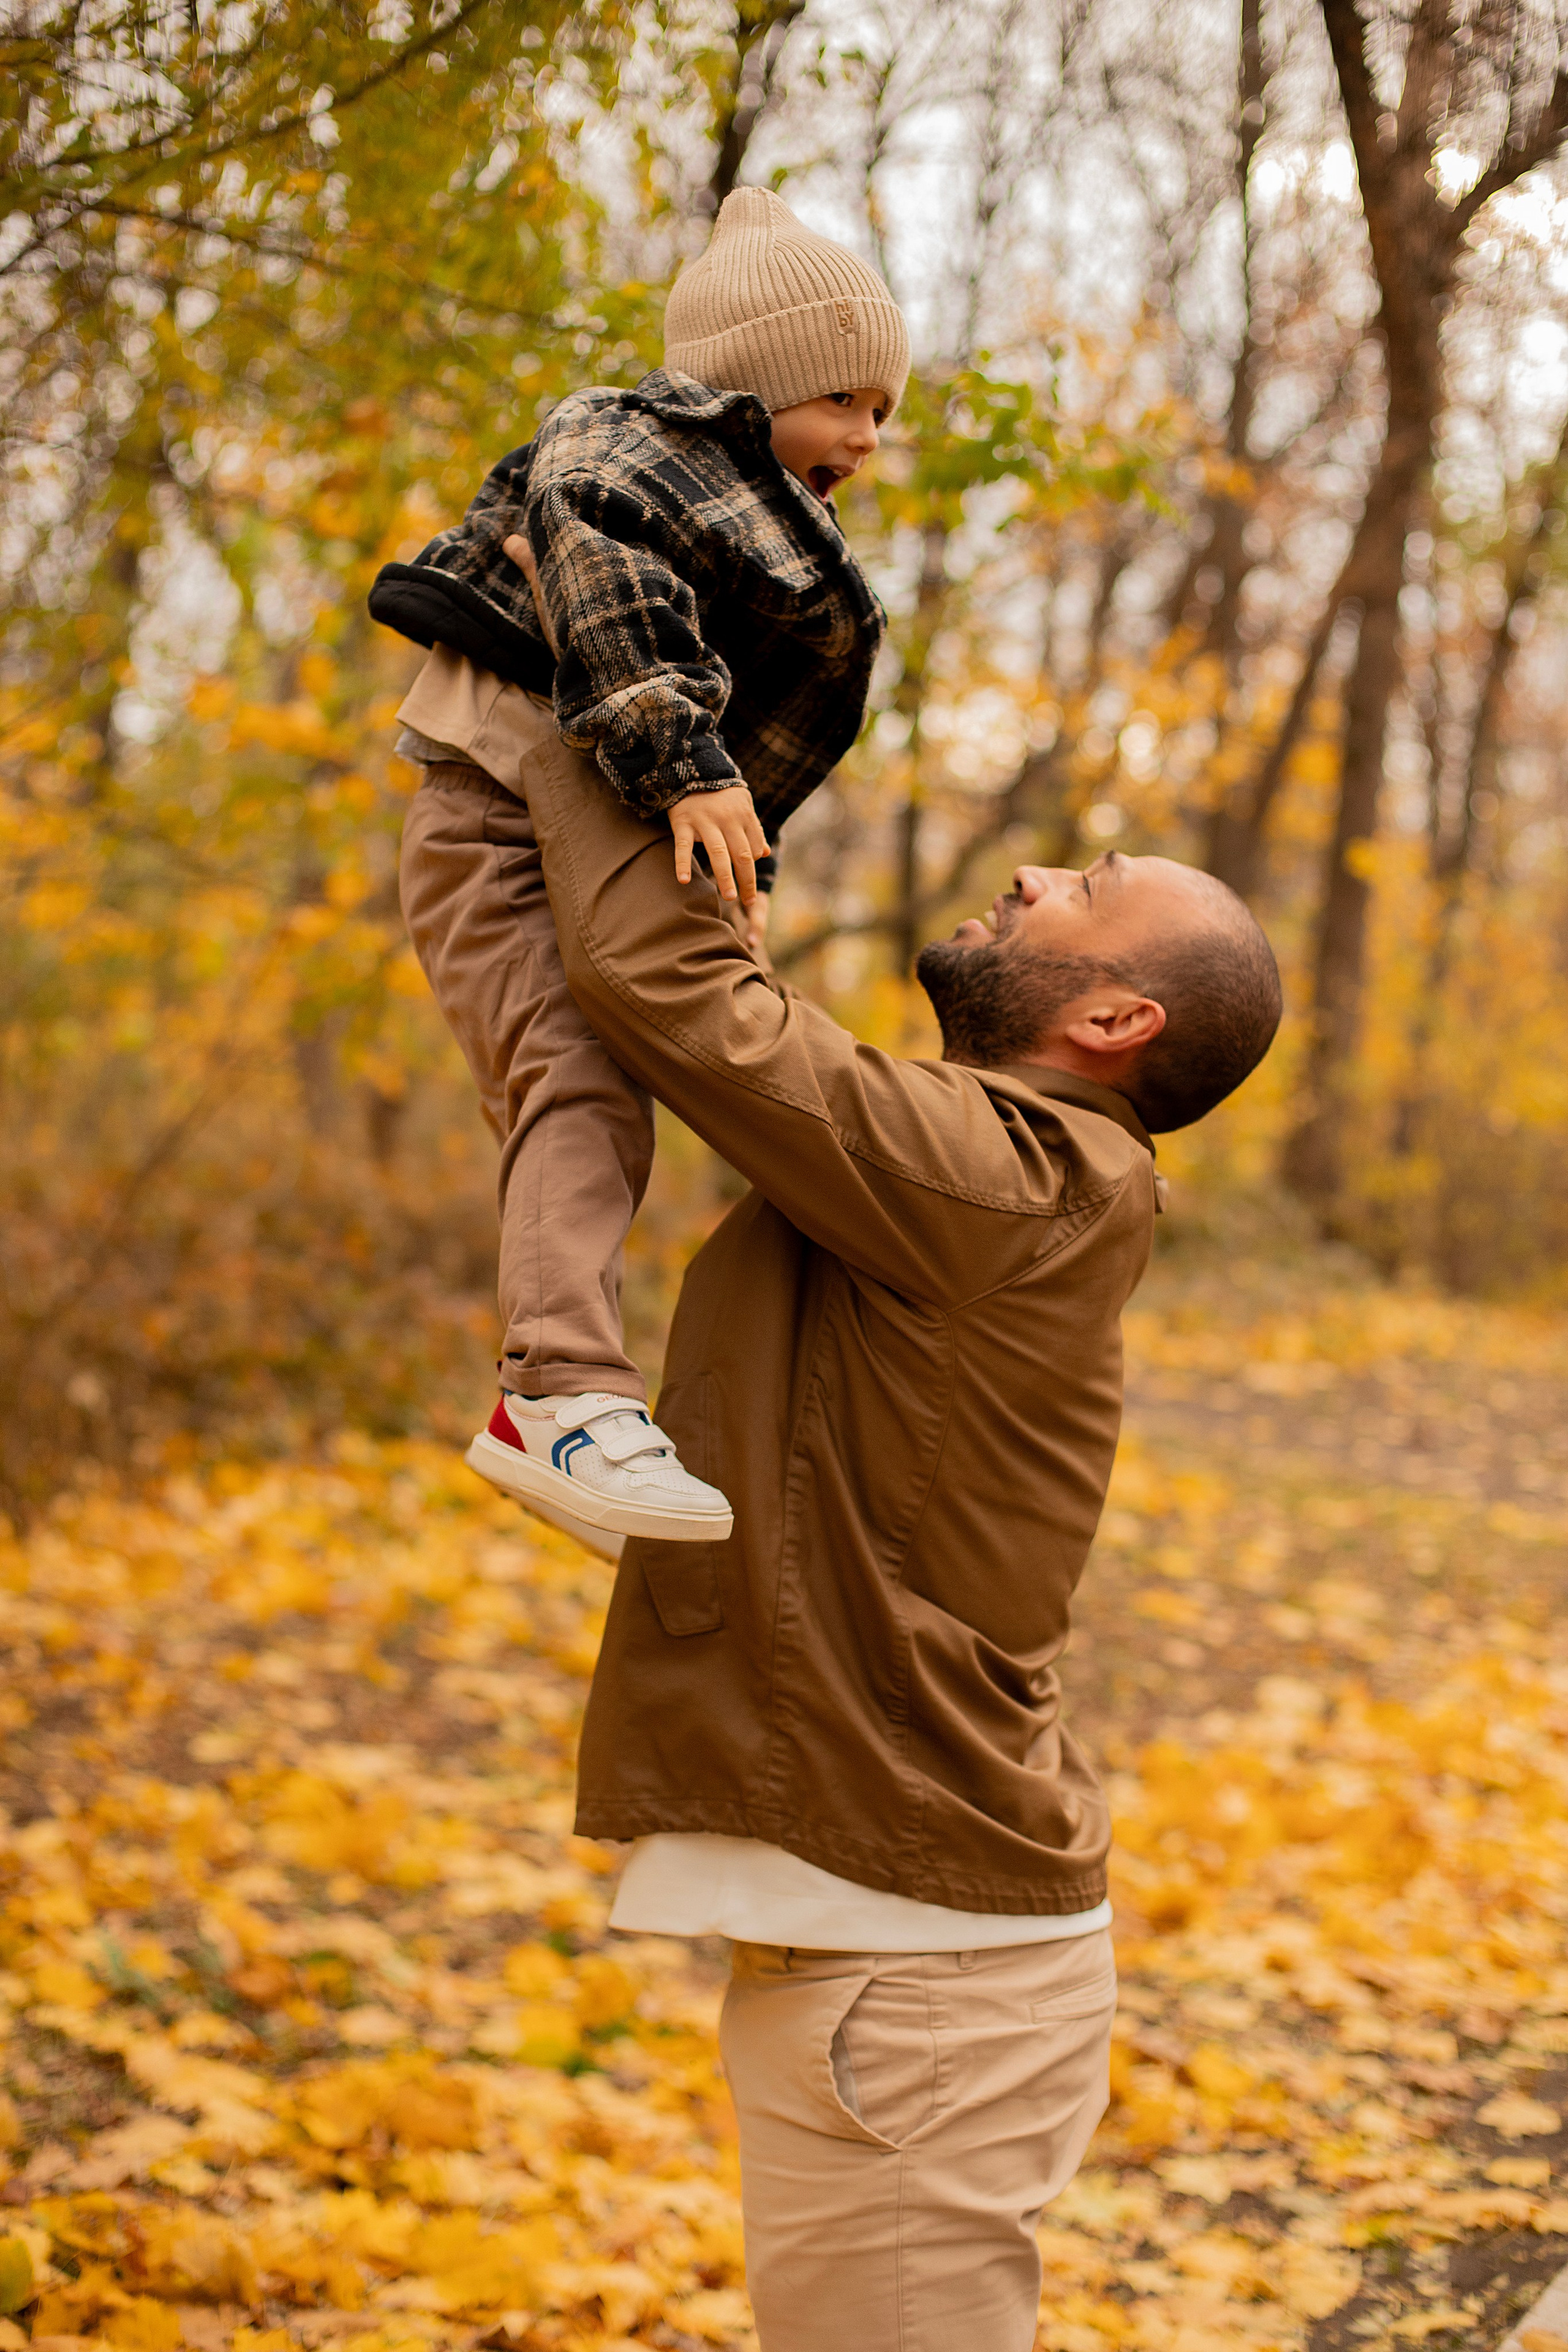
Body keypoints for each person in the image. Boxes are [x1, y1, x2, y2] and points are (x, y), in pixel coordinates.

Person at [407, 618, 1283, 2348]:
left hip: (924, 1983)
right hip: (909, 1967)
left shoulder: (1014, 1180)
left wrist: (584, 704)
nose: (1033, 873)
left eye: (1085, 887)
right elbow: (723, 1014)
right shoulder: (990, 1171)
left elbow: (678, 999)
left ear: (1115, 1017)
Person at [369, 186, 910, 1557]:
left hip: (583, 824)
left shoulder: (754, 520)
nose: (864, 437)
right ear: (745, 389)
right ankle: (557, 1396)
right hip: (489, 818)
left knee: (631, 1082)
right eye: (840, 401)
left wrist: (724, 852)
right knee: (575, 1079)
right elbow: (613, 583)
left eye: (880, 412)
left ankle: (599, 1401)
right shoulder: (623, 450)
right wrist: (685, 758)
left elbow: (728, 691)